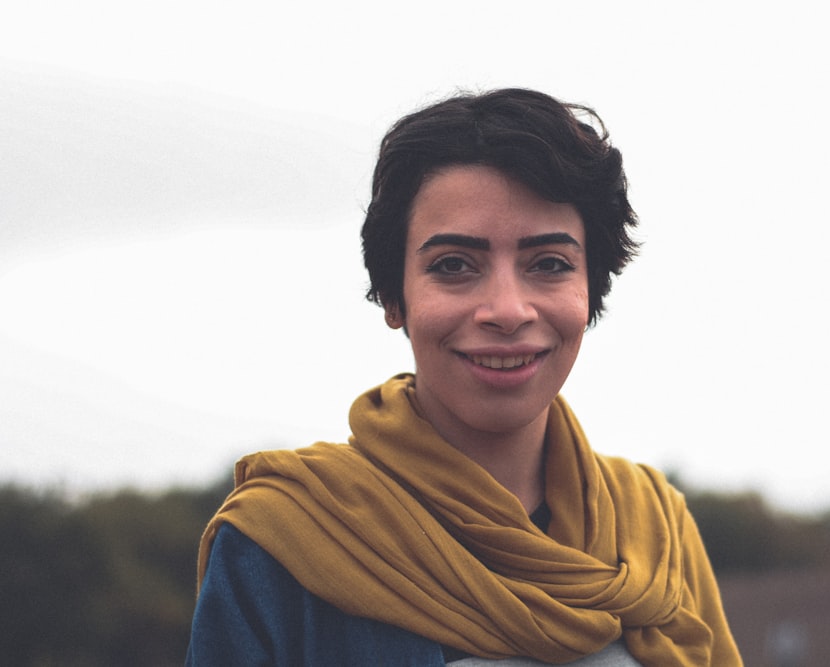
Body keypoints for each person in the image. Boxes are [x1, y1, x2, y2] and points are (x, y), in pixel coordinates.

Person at [185, 88, 742, 666]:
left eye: (549, 264)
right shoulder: (284, 537)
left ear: (590, 291)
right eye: (453, 266)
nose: (507, 309)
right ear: (393, 297)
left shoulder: (655, 528)